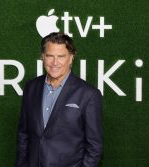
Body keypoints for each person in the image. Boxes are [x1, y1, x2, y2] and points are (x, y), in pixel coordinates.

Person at [16, 32, 103, 167]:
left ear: (71, 58)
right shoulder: (31, 87)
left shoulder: (88, 94)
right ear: (42, 57)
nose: (55, 62)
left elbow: (94, 147)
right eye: (50, 56)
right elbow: (24, 134)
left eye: (61, 56)